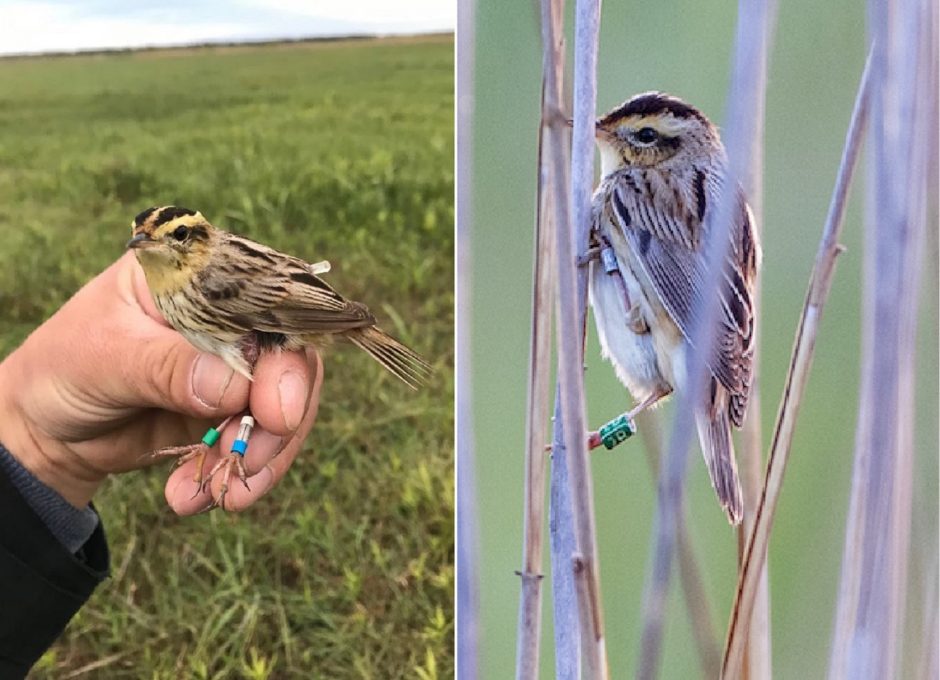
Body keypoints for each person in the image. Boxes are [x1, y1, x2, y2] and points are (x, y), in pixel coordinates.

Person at [0, 253, 321, 676]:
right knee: (238, 389)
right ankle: (217, 444)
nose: (146, 244)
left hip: (281, 324)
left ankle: (231, 448)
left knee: (242, 388)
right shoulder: (173, 285)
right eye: (141, 235)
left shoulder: (208, 281)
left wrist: (37, 444)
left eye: (179, 236)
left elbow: (282, 303)